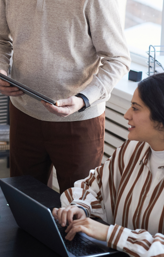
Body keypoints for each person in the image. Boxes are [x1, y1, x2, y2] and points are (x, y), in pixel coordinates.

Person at [0, 0, 130, 192]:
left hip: (79, 122)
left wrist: (83, 99)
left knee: (77, 209)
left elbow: (118, 59)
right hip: (24, 114)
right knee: (22, 200)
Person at [53, 73, 164, 256]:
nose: (126, 114)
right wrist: (81, 208)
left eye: (136, 109)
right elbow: (92, 185)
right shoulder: (132, 149)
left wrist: (109, 233)